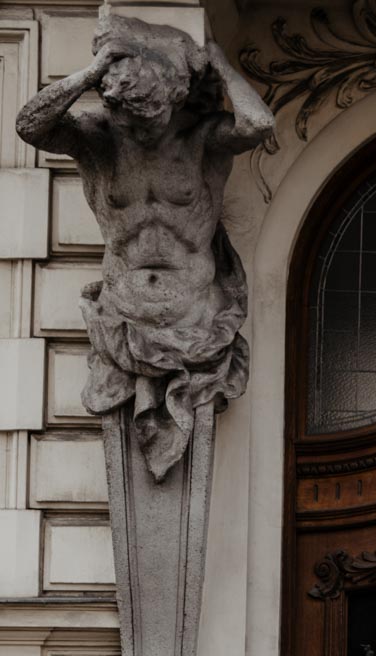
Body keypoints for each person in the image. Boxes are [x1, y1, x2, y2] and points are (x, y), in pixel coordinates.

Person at [15, 13, 274, 481]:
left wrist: (219, 65)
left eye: (152, 117)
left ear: (173, 102)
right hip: (122, 321)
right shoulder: (97, 140)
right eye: (129, 117)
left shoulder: (201, 141)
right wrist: (91, 73)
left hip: (197, 322)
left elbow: (257, 123)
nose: (142, 128)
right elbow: (30, 126)